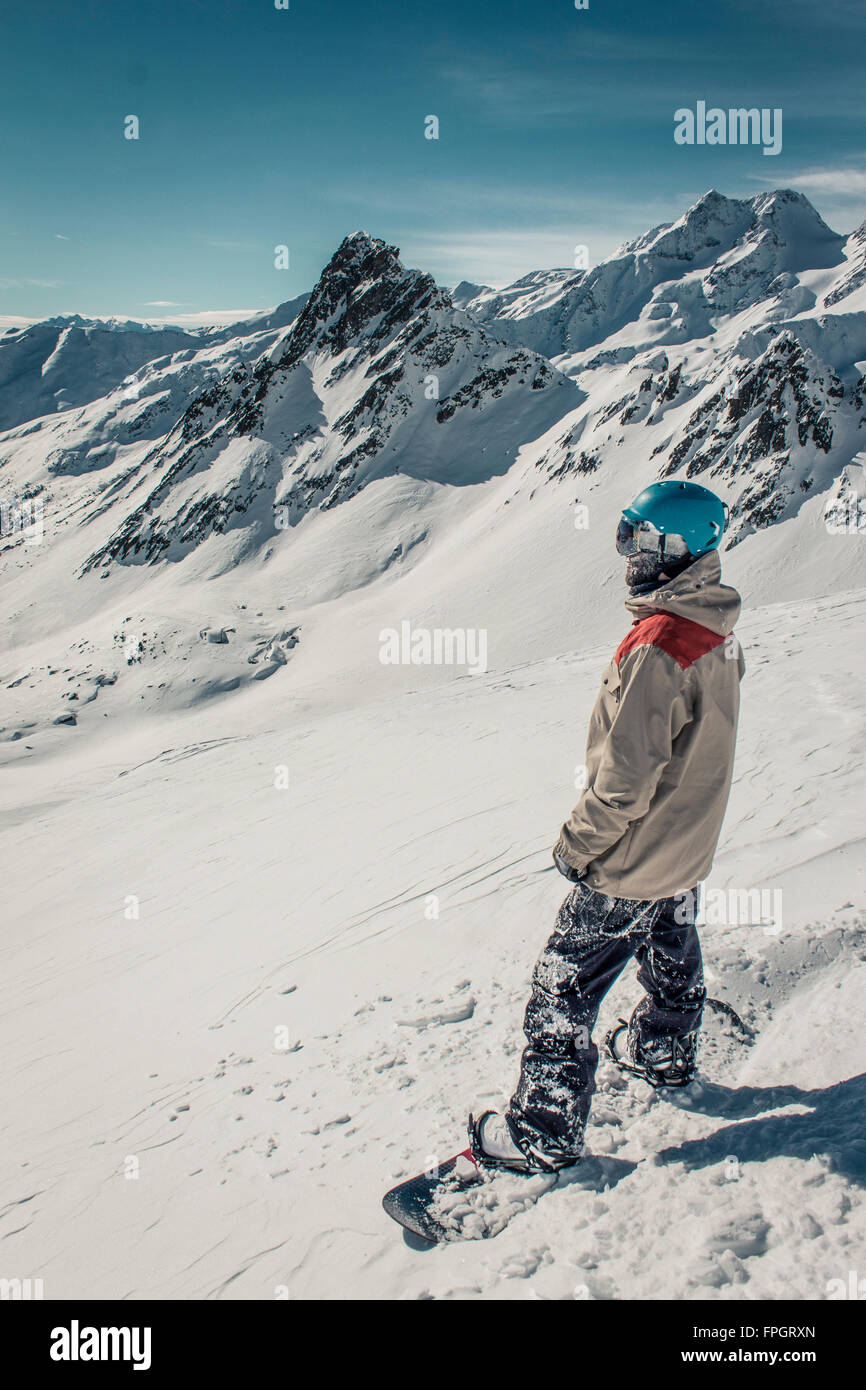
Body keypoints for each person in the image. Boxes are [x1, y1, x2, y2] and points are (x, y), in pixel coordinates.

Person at [470, 480, 745, 1173]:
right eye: (625, 536)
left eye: (643, 541)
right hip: (685, 849)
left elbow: (626, 779)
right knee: (670, 945)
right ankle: (663, 1049)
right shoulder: (715, 627)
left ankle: (543, 1133)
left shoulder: (658, 644)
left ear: (679, 551)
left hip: (632, 857)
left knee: (563, 987)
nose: (629, 556)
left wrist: (576, 847)